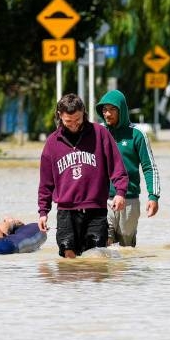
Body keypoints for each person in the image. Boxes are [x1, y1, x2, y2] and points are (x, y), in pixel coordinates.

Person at [38, 94, 128, 258]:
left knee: (95, 257)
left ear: (84, 113)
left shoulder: (100, 134)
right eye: (68, 121)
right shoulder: (52, 143)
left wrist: (121, 193)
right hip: (66, 211)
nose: (73, 125)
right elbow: (46, 183)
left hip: (96, 209)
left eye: (77, 120)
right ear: (59, 115)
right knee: (68, 254)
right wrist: (43, 212)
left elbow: (117, 167)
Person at [94, 89, 160, 246]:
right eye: (104, 110)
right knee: (104, 243)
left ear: (121, 110)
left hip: (129, 200)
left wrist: (153, 196)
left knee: (126, 249)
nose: (107, 114)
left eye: (112, 109)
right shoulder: (99, 132)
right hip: (103, 200)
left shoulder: (137, 134)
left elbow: (149, 167)